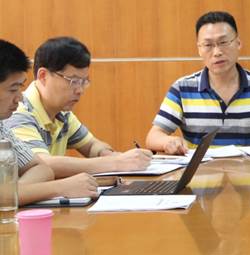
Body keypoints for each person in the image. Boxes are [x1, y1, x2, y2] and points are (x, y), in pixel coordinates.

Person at [145, 11, 250, 155]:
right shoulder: (182, 88)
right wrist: (168, 141)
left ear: (238, 43)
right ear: (199, 49)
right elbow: (153, 137)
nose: (217, 52)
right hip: (200, 171)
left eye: (223, 42)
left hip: (249, 170)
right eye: (208, 45)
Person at [6, 37, 151, 177]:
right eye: (73, 81)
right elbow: (41, 164)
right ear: (43, 76)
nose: (80, 90)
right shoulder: (17, 112)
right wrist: (116, 163)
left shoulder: (62, 113)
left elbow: (91, 145)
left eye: (84, 81)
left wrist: (107, 154)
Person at [0, 39, 97, 204]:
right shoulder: (19, 115)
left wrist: (14, 193)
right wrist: (61, 187)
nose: (19, 97)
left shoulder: (1, 127)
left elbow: (41, 168)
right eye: (13, 89)